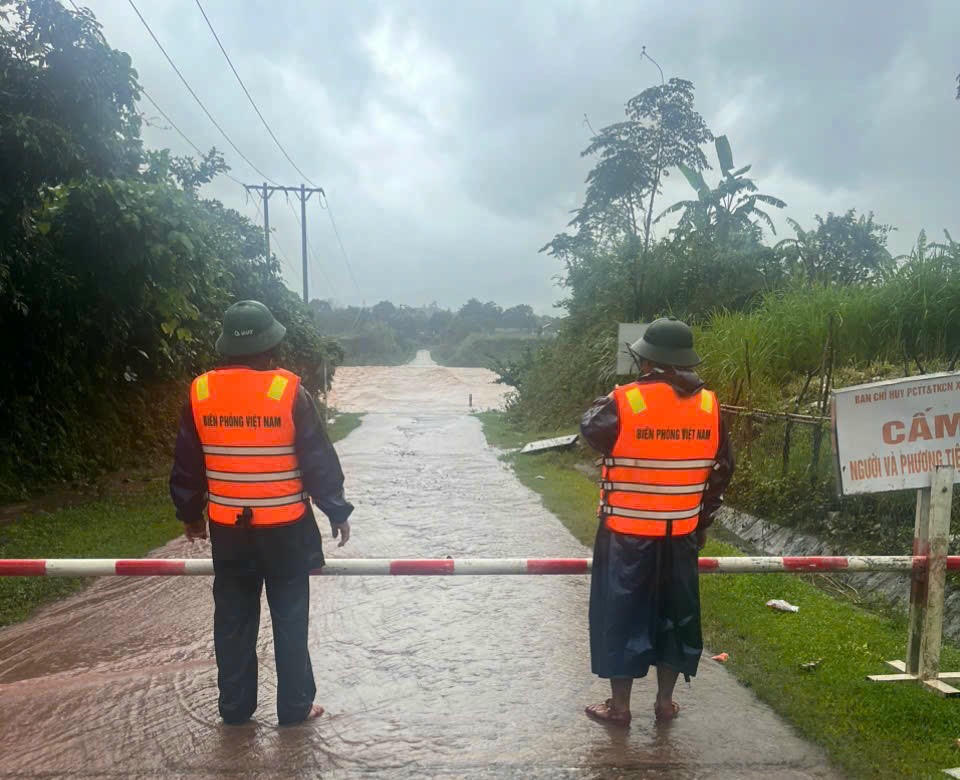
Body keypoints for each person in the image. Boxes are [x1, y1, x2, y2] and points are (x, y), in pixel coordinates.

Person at [170, 300, 354, 726]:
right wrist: (336, 510)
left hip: (229, 532)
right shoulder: (289, 392)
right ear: (270, 345)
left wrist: (190, 515)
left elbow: (187, 464)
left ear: (226, 348)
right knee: (290, 619)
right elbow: (317, 460)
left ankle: (234, 712)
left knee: (233, 622)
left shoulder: (200, 392)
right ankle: (294, 709)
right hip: (286, 532)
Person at [580, 317, 734, 726]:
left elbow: (590, 430)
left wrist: (624, 392)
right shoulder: (710, 406)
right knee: (676, 619)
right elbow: (723, 469)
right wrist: (700, 522)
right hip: (680, 536)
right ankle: (664, 704)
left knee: (621, 616)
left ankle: (619, 707)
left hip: (626, 538)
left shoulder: (623, 401)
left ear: (647, 361)